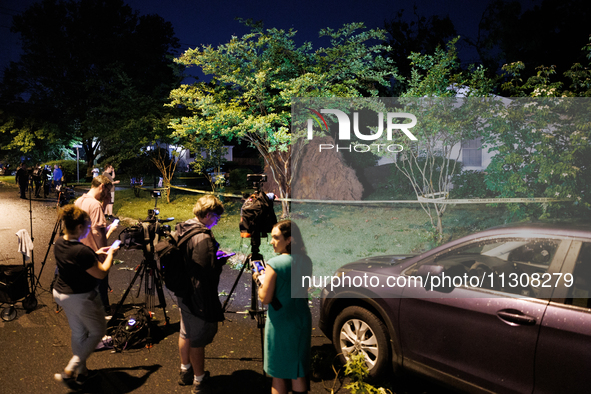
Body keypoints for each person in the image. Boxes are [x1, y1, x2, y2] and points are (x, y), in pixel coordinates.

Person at [52, 204, 119, 388]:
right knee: (98, 331)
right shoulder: (81, 251)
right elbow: (102, 273)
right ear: (80, 227)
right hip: (79, 297)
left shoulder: (60, 242)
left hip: (61, 293)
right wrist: (111, 253)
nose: (89, 230)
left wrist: (95, 254)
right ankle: (70, 370)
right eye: (88, 227)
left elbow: (76, 261)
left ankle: (82, 373)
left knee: (79, 332)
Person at [176, 195, 226, 394]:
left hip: (183, 290)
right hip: (198, 294)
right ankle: (199, 382)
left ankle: (185, 371)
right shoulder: (203, 237)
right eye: (216, 217)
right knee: (197, 338)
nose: (217, 221)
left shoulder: (184, 227)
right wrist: (219, 260)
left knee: (185, 332)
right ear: (207, 215)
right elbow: (206, 271)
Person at [256, 220, 313, 394]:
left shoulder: (274, 264)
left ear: (289, 240)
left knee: (278, 373)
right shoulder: (306, 260)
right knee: (298, 371)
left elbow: (265, 298)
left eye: (275, 237)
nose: (271, 241)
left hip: (281, 322)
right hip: (301, 318)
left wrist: (260, 281)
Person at [74, 175, 118, 313]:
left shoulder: (79, 201)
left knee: (87, 290)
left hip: (81, 252)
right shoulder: (94, 204)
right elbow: (97, 232)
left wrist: (104, 204)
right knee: (100, 289)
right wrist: (104, 253)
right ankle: (103, 319)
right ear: (102, 186)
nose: (108, 195)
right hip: (95, 253)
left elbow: (91, 225)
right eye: (107, 191)